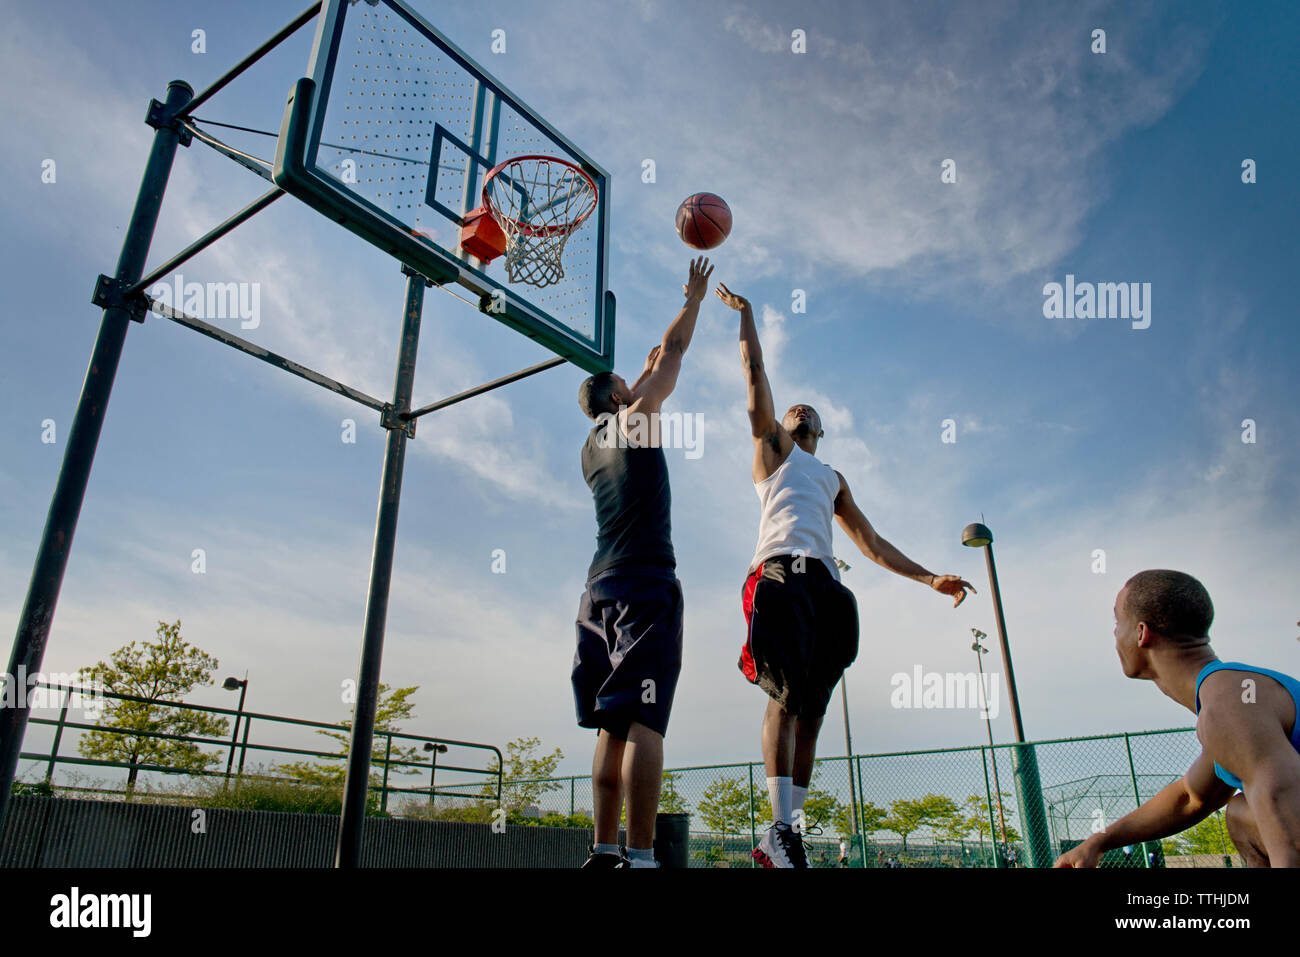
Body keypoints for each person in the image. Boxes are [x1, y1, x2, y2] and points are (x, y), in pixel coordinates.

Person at [714, 282, 976, 869]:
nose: (800, 411)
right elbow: (755, 380)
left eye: (811, 413)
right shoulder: (773, 453)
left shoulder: (831, 476)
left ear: (823, 433)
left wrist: (931, 579)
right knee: (782, 696)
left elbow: (874, 544)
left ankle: (788, 835)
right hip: (780, 574)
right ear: (782, 425)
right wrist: (747, 317)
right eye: (792, 410)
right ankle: (777, 827)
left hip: (828, 588)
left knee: (813, 711)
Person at [572, 256, 713, 869]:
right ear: (621, 396)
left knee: (610, 723)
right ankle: (645, 856)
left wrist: (647, 368)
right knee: (647, 722)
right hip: (645, 584)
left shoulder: (590, 448)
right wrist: (694, 299)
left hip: (596, 590)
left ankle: (605, 852)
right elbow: (674, 352)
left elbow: (652, 365)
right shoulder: (636, 421)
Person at [1055, 569, 1300, 868]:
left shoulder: (1229, 706)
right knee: (1241, 815)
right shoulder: (1228, 704)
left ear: (1141, 633)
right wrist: (1098, 842)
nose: (1115, 634)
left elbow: (1288, 819)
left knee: (1243, 815)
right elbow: (1189, 799)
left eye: (1118, 622)